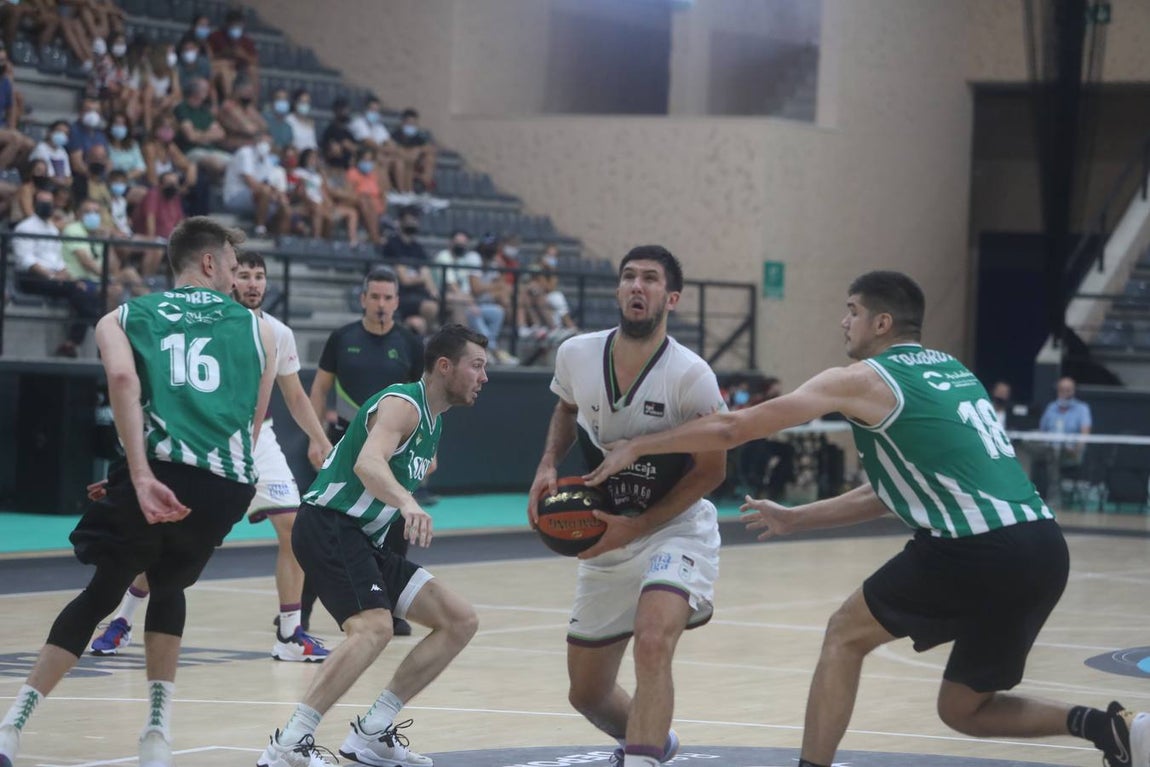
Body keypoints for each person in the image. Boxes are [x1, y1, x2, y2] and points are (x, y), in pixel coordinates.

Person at [583, 270, 1150, 767]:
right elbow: (895, 491)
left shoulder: (860, 380)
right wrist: (796, 519)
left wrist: (642, 445)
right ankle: (1108, 728)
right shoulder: (951, 371)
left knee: (843, 634)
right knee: (963, 709)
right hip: (1043, 549)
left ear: (881, 322)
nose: (843, 322)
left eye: (851, 311)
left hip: (977, 546)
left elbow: (736, 427)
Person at [0, 216, 277, 767]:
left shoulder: (121, 317)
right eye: (229, 263)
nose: (235, 274)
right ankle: (157, 735)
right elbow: (253, 419)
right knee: (168, 585)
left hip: (159, 472)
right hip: (227, 484)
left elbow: (126, 385)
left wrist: (138, 475)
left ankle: (11, 728)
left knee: (104, 592)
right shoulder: (262, 329)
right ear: (208, 263)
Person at [526, 245, 726, 767]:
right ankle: (654, 738)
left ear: (671, 297)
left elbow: (713, 470)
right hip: (605, 533)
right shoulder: (575, 353)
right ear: (618, 290)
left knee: (653, 637)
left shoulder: (690, 375)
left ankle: (640, 758)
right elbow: (566, 407)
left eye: (651, 279)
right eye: (629, 277)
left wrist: (637, 527)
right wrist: (548, 462)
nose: (638, 286)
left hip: (673, 528)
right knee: (587, 694)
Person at [257, 324, 487, 767]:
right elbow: (367, 462)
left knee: (459, 620)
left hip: (364, 539)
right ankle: (289, 742)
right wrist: (407, 502)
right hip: (329, 524)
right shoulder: (403, 403)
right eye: (476, 366)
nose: (484, 377)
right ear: (445, 366)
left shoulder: (433, 422)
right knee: (373, 628)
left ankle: (374, 732)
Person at [89, 251, 335, 662]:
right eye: (244, 274)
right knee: (167, 535)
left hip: (257, 439)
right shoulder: (198, 321)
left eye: (260, 276)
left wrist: (320, 441)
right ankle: (124, 618)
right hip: (202, 437)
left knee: (295, 526)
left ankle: (290, 633)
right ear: (227, 278)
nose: (253, 283)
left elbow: (293, 395)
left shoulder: (276, 332)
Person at [307, 266, 425, 636]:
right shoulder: (342, 338)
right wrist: (315, 437)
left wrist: (429, 450)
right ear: (362, 299)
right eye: (374, 296)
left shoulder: (409, 343)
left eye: (388, 297)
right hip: (345, 448)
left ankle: (391, 607)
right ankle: (298, 614)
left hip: (397, 452)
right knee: (329, 526)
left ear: (397, 301)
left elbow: (423, 401)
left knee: (394, 529)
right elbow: (319, 389)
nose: (381, 304)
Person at [13, 188, 102, 357]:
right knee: (78, 291)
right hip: (31, 277)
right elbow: (26, 260)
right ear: (34, 204)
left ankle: (71, 344)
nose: (46, 206)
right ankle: (99, 325)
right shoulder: (24, 227)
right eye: (42, 203)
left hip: (54, 277)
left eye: (49, 203)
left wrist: (66, 275)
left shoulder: (52, 229)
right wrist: (53, 277)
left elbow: (58, 259)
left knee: (84, 291)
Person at [382, 206, 439, 335]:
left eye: (415, 220)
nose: (412, 223)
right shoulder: (393, 244)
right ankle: (434, 339)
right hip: (401, 294)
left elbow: (426, 273)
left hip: (419, 295)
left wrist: (434, 292)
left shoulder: (418, 248)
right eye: (408, 220)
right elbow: (405, 280)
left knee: (420, 323)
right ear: (400, 222)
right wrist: (423, 278)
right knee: (431, 308)